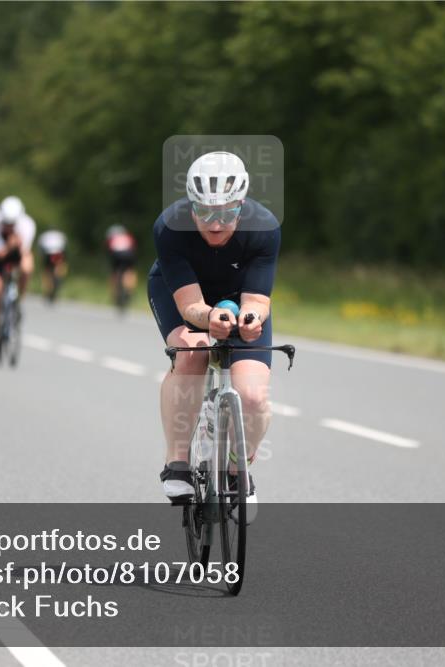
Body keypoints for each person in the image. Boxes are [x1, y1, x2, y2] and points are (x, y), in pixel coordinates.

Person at [148, 152, 280, 518]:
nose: (216, 223)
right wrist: (209, 318)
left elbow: (258, 301)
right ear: (191, 206)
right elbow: (190, 305)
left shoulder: (264, 227)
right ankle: (177, 463)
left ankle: (238, 471)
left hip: (240, 296)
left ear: (242, 204)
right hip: (183, 294)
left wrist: (251, 319)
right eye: (205, 212)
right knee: (192, 353)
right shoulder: (169, 226)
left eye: (227, 212)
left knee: (253, 396)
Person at [0, 196, 35, 355]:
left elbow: (24, 253)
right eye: (6, 223)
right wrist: (9, 245)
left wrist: (18, 246)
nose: (9, 227)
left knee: (27, 268)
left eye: (12, 224)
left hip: (17, 251)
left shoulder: (27, 225)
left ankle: (19, 300)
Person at [105, 224, 138, 310]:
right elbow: (134, 247)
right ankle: (129, 290)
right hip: (129, 254)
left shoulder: (112, 237)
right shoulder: (128, 236)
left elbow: (108, 249)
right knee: (130, 271)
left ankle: (115, 293)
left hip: (116, 255)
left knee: (114, 272)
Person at [36, 228, 68, 303]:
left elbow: (40, 248)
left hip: (47, 254)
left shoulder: (44, 235)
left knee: (47, 271)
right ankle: (57, 278)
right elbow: (65, 247)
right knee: (58, 269)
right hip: (58, 253)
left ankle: (48, 289)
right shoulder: (60, 235)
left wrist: (41, 257)